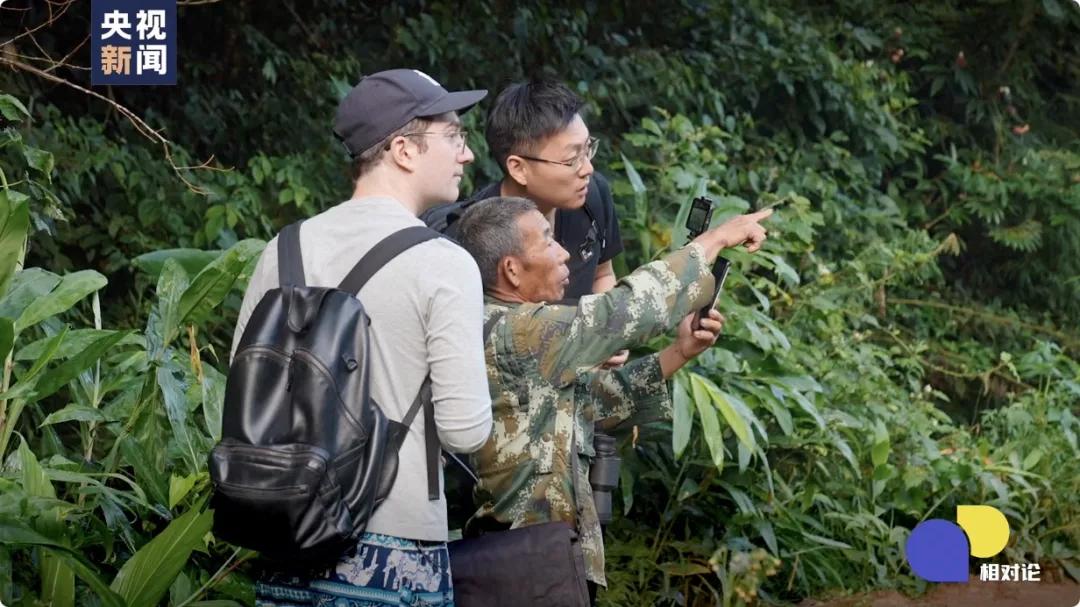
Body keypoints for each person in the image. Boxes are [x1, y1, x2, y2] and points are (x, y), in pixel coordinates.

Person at [231, 69, 493, 607]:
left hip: (286, 535)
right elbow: (466, 430)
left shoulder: (282, 250)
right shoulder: (444, 264)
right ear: (403, 149)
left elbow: (243, 396)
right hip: (394, 550)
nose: (466, 155)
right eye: (453, 136)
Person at [454, 196, 773, 599]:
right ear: (512, 270)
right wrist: (714, 240)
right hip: (527, 563)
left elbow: (594, 404)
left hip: (538, 556)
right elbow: (619, 312)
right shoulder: (517, 333)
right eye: (549, 241)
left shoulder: (510, 332)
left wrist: (680, 352)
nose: (564, 252)